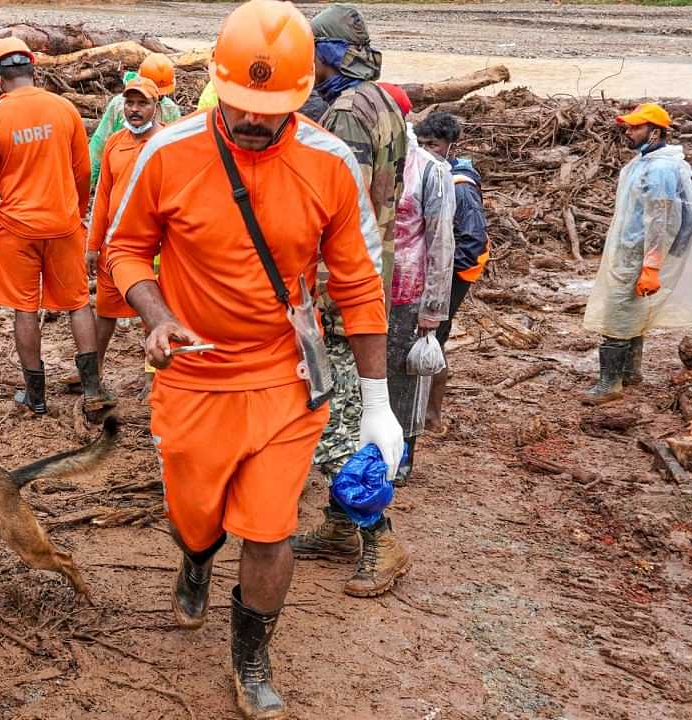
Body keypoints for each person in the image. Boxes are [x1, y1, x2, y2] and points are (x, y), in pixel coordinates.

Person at [105, 2, 402, 716]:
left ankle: (251, 655)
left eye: (270, 108)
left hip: (283, 375)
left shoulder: (327, 163)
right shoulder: (167, 151)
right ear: (217, 85)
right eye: (240, 103)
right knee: (194, 513)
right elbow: (123, 249)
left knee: (269, 527)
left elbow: (359, 284)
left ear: (301, 96)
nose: (252, 120)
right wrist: (157, 315)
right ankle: (196, 557)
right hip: (192, 373)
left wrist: (379, 405)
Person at [293, 4, 412, 600]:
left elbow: (341, 208)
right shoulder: (385, 101)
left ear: (330, 54)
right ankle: (341, 526)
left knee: (336, 422)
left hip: (342, 290)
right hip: (373, 273)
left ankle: (379, 536)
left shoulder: (343, 115)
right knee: (335, 414)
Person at [0, 38, 114, 422]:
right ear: (33, 70)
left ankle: (35, 396)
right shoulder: (65, 108)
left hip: (17, 230)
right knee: (76, 304)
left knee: (24, 308)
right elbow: (84, 170)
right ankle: (92, 390)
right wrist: (76, 211)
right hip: (64, 225)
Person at [582, 103, 692, 403]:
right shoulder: (645, 162)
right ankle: (630, 373)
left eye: (635, 127)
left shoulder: (660, 169)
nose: (628, 132)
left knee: (617, 313)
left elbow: (661, 219)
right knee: (631, 311)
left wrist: (651, 265)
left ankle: (609, 384)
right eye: (628, 127)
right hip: (630, 250)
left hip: (638, 255)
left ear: (655, 132)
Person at [383, 88, 455, 485]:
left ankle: (405, 453)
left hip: (410, 290)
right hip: (369, 287)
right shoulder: (374, 158)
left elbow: (442, 241)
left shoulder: (430, 170)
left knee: (407, 374)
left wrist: (433, 308)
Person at [414, 111, 489, 434]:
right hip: (448, 268)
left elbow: (472, 240)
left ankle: (431, 416)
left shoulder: (460, 186)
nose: (427, 149)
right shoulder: (436, 173)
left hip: (457, 272)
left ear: (449, 145)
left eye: (433, 144)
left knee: (434, 338)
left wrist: (443, 277)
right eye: (422, 143)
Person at [85, 78, 162, 375]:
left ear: (155, 107)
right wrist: (93, 245)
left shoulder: (164, 143)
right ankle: (95, 370)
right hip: (114, 245)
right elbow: (103, 194)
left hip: (152, 247)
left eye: (142, 103)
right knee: (105, 311)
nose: (134, 109)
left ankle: (151, 376)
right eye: (130, 103)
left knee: (152, 313)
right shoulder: (115, 142)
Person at [87, 53, 182, 193]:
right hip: (120, 176)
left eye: (160, 97)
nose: (135, 108)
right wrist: (88, 184)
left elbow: (176, 152)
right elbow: (99, 145)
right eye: (131, 103)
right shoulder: (119, 106)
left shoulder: (170, 110)